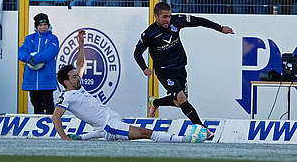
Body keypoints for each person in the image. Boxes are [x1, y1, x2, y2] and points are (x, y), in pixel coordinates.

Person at [52, 30, 197, 143]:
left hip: (111, 120)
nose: (78, 77)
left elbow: (80, 64)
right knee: (146, 133)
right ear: (66, 82)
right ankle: (183, 139)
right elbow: (55, 117)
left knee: (103, 131)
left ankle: (83, 138)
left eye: (76, 75)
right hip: (109, 126)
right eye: (74, 77)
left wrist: (81, 44)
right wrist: (64, 137)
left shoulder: (79, 88)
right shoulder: (66, 97)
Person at [133, 2, 234, 140]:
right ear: (156, 16)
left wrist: (220, 28)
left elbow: (198, 21)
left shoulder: (177, 20)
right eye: (164, 17)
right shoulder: (149, 34)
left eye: (169, 16)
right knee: (181, 98)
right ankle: (203, 129)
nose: (168, 20)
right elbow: (137, 53)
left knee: (178, 102)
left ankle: (155, 103)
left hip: (180, 67)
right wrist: (144, 68)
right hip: (164, 71)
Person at [18, 13, 59, 114]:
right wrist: (27, 58)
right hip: (31, 79)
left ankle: (53, 126)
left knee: (48, 104)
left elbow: (50, 53)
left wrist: (34, 59)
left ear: (48, 26)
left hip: (46, 79)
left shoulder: (53, 38)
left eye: (45, 25)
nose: (43, 27)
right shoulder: (29, 38)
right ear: (36, 27)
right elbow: (21, 52)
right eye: (40, 25)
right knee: (36, 104)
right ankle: (38, 128)